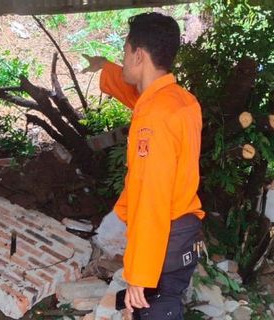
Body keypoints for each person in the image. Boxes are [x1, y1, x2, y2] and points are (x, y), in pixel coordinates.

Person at [84, 13, 205, 319]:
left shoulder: (155, 118)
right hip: (184, 235)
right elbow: (141, 97)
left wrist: (141, 273)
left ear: (138, 55)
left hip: (164, 242)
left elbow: (153, 196)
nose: (123, 60)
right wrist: (106, 69)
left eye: (124, 53)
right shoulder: (181, 101)